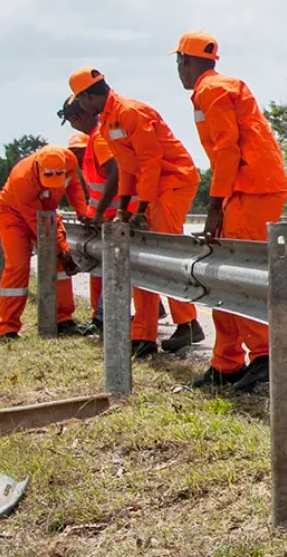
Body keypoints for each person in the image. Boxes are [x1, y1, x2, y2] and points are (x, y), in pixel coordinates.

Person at [171, 31, 287, 391]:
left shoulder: (211, 90)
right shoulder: (214, 88)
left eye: (178, 64)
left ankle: (265, 356)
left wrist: (213, 204)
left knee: (240, 276)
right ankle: (226, 362)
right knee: (223, 275)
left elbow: (227, 150)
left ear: (185, 61)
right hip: (246, 188)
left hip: (253, 188)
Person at [67, 67, 204, 356]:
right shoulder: (107, 122)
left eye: (80, 102)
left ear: (89, 96)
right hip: (153, 188)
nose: (80, 109)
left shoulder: (130, 112)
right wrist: (126, 209)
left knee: (162, 255)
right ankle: (144, 333)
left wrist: (139, 207)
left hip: (173, 181)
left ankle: (187, 322)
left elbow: (151, 161)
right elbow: (129, 168)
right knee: (144, 258)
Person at [0, 145, 88, 342]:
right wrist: (61, 250)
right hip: (14, 216)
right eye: (49, 176)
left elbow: (73, 186)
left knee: (60, 264)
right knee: (18, 266)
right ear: (37, 167)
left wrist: (82, 212)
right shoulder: (22, 178)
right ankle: (8, 327)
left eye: (58, 176)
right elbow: (38, 225)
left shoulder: (70, 160)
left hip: (47, 214)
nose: (53, 182)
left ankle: (63, 319)